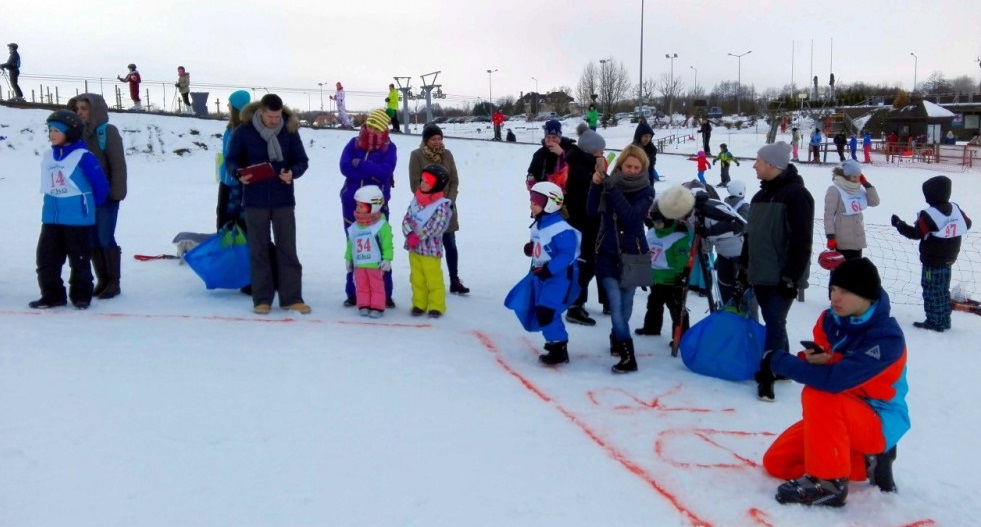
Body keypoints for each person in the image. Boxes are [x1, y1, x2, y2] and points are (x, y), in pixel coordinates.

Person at [757, 257, 909, 507]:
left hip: (878, 418)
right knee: (777, 462)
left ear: (867, 297)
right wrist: (813, 359)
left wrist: (777, 359)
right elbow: (827, 369)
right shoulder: (830, 320)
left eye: (846, 291)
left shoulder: (886, 338)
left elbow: (833, 381)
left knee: (819, 393)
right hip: (841, 414)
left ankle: (829, 482)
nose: (835, 298)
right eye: (833, 289)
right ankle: (867, 461)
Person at [225, 93, 311, 315]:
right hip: (255, 200)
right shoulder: (244, 131)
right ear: (260, 112)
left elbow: (302, 161)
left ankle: (292, 298)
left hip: (283, 200)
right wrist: (238, 173)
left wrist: (293, 173)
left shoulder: (289, 131)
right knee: (259, 250)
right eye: (270, 116)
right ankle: (262, 299)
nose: (275, 120)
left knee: (287, 250)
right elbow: (231, 160)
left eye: (277, 116)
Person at [743, 141, 814, 401]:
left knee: (774, 320)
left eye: (758, 161)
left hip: (782, 275)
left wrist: (790, 276)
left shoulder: (796, 195)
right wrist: (744, 265)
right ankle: (782, 365)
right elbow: (751, 236)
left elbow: (801, 240)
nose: (754, 165)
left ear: (773, 165)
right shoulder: (760, 196)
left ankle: (768, 372)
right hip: (760, 271)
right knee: (774, 320)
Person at [587, 144, 655, 373]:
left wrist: (611, 190)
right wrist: (596, 186)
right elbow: (590, 211)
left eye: (637, 167)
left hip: (634, 254)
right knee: (616, 305)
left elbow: (632, 217)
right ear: (621, 165)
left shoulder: (647, 190)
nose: (632, 170)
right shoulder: (609, 183)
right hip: (606, 252)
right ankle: (629, 356)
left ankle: (617, 336)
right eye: (628, 166)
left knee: (625, 306)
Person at [31, 110, 109, 309]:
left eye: (56, 130)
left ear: (71, 132)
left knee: (79, 260)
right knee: (46, 259)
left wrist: (88, 207)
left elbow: (100, 186)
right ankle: (52, 295)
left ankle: (81, 296)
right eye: (49, 130)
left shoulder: (84, 157)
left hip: (78, 219)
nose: (51, 134)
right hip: (51, 218)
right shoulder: (49, 156)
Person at [890, 175, 972, 332]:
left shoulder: (929, 214)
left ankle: (934, 322)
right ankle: (944, 320)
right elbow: (967, 224)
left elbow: (916, 233)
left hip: (932, 262)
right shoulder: (955, 208)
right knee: (942, 290)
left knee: (931, 290)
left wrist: (899, 224)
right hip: (950, 259)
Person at [67, 93, 128, 300]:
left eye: (84, 108)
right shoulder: (77, 134)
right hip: (85, 197)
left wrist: (116, 193)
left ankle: (113, 282)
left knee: (104, 236)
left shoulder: (107, 132)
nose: (79, 112)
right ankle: (102, 280)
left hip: (106, 197)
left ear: (95, 110)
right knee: (91, 238)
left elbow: (118, 165)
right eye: (77, 109)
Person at [340, 109, 398, 307]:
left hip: (376, 206)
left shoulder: (389, 148)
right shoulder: (353, 143)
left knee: (380, 248)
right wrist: (370, 170)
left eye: (377, 127)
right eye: (370, 125)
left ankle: (385, 293)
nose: (371, 130)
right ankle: (354, 293)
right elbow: (345, 167)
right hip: (352, 205)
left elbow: (385, 172)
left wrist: (361, 164)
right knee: (355, 247)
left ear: (384, 129)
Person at [659, 183, 747, 308]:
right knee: (725, 291)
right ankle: (727, 318)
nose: (678, 219)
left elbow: (740, 225)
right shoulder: (691, 213)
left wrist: (708, 232)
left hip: (741, 254)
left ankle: (745, 323)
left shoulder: (708, 208)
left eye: (677, 215)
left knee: (741, 295)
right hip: (723, 253)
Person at [523, 182, 581, 365]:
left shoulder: (561, 229)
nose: (532, 204)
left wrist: (549, 270)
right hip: (542, 277)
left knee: (547, 310)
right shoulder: (539, 224)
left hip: (559, 278)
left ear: (550, 203)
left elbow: (566, 254)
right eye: (532, 200)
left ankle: (559, 347)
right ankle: (554, 342)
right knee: (542, 309)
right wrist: (531, 248)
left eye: (537, 201)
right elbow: (540, 245)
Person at [409, 123, 469, 295]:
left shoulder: (447, 155)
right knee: (428, 247)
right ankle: (428, 282)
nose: (437, 142)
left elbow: (454, 180)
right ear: (426, 140)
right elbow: (415, 184)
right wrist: (430, 202)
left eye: (439, 138)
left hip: (447, 208)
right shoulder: (417, 156)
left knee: (450, 243)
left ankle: (454, 280)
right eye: (433, 139)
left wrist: (448, 201)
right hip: (426, 210)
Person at [563, 129, 607, 326]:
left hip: (583, 223)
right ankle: (574, 305)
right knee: (586, 264)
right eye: (600, 151)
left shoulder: (580, 164)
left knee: (586, 263)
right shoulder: (581, 170)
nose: (602, 155)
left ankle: (577, 302)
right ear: (591, 151)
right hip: (583, 224)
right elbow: (587, 199)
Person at [403, 164, 453, 319]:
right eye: (422, 180)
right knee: (416, 278)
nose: (422, 183)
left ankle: (436, 306)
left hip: (430, 250)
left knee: (433, 279)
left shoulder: (441, 205)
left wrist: (418, 235)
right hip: (414, 249)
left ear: (436, 185)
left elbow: (437, 226)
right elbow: (407, 219)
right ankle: (419, 303)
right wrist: (409, 233)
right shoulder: (415, 200)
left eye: (427, 181)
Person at [634, 202, 691, 338]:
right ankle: (651, 328)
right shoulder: (653, 232)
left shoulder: (678, 236)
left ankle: (681, 336)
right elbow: (646, 252)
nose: (656, 225)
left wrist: (681, 275)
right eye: (654, 222)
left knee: (676, 308)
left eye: (659, 223)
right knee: (653, 304)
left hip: (672, 279)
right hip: (655, 277)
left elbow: (682, 259)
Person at [345, 185, 394, 318]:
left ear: (372, 207)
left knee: (376, 286)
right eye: (357, 206)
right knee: (361, 285)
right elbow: (351, 244)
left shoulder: (381, 226)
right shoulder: (356, 226)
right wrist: (348, 258)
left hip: (375, 264)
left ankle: (378, 306)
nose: (357, 209)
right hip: (360, 264)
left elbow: (387, 244)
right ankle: (364, 304)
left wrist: (387, 258)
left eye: (361, 206)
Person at [824, 160, 880, 260]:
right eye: (854, 177)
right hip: (842, 242)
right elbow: (828, 216)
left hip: (857, 241)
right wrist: (830, 237)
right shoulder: (835, 189)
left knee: (855, 273)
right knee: (841, 273)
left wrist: (867, 185)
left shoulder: (859, 190)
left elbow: (874, 202)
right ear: (846, 176)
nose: (857, 179)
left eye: (859, 176)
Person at [217, 90, 252, 230]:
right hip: (225, 180)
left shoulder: (244, 130)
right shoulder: (230, 128)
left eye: (230, 104)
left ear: (236, 108)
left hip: (236, 183)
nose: (227, 106)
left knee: (233, 219)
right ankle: (223, 248)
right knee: (222, 215)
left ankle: (238, 249)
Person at [526, 120, 571, 191]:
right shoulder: (540, 153)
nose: (551, 140)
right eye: (548, 137)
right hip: (543, 193)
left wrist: (562, 154)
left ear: (559, 137)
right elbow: (531, 172)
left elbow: (577, 168)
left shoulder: (570, 149)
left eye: (554, 137)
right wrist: (531, 182)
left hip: (564, 194)